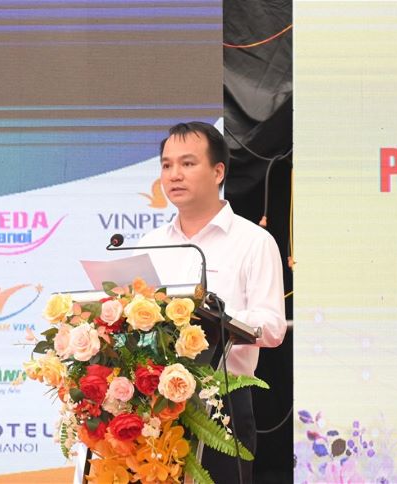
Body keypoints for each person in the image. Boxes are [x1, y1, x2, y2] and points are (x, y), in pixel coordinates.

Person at [137, 121, 287, 483]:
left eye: (188, 163)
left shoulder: (253, 241)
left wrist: (216, 318)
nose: (174, 174)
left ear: (218, 172)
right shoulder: (150, 243)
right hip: (153, 404)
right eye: (167, 165)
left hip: (223, 403)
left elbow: (273, 327)